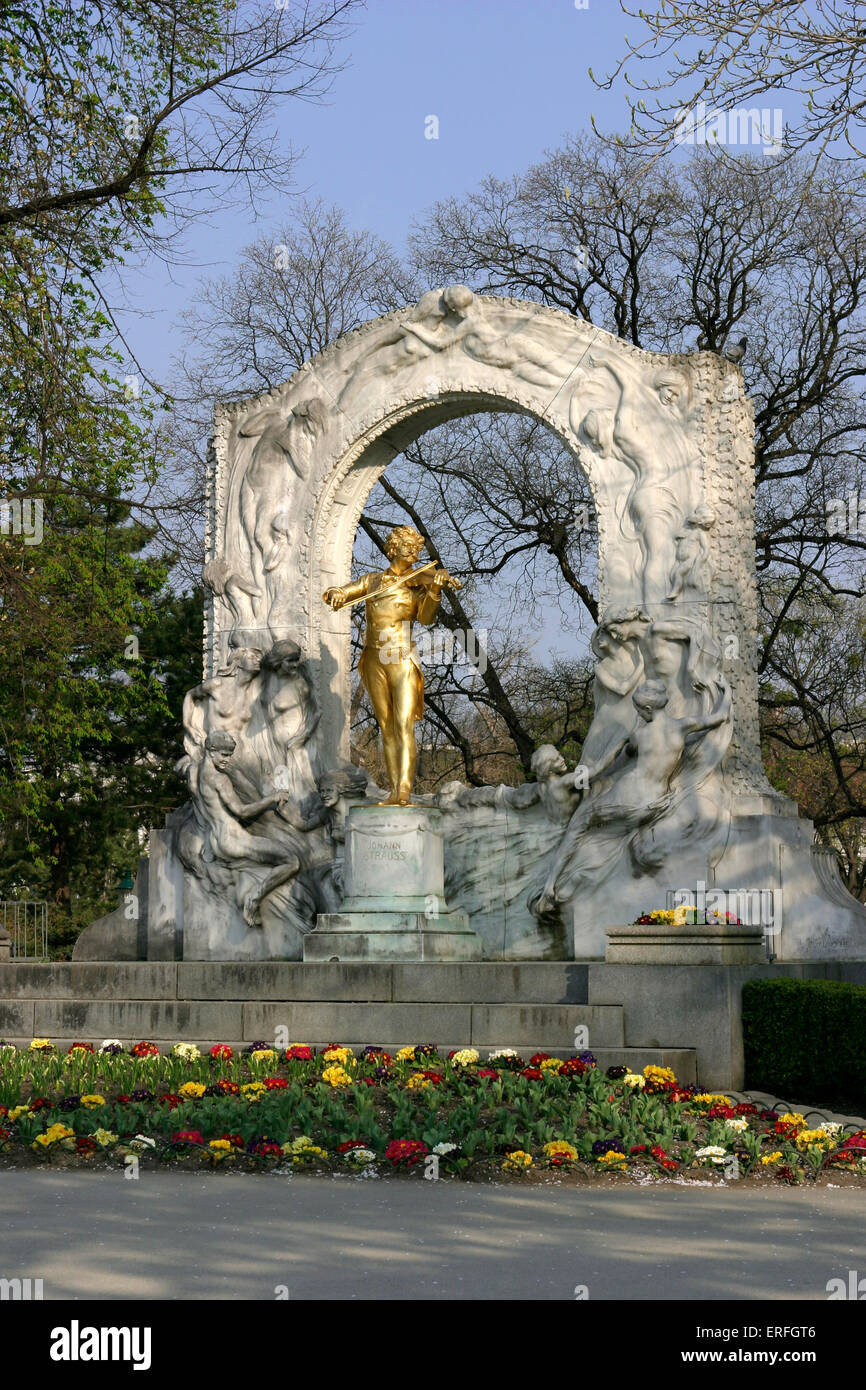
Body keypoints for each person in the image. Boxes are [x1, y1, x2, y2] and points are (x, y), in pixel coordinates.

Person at [322, 526, 460, 805]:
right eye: (407, 546)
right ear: (393, 548)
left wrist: (435, 590)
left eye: (416, 548)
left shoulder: (419, 582)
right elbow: (344, 592)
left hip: (401, 657)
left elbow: (426, 619)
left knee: (403, 723)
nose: (414, 552)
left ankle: (405, 791)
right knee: (386, 726)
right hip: (374, 658)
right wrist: (335, 593)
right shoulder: (373, 581)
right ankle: (394, 790)